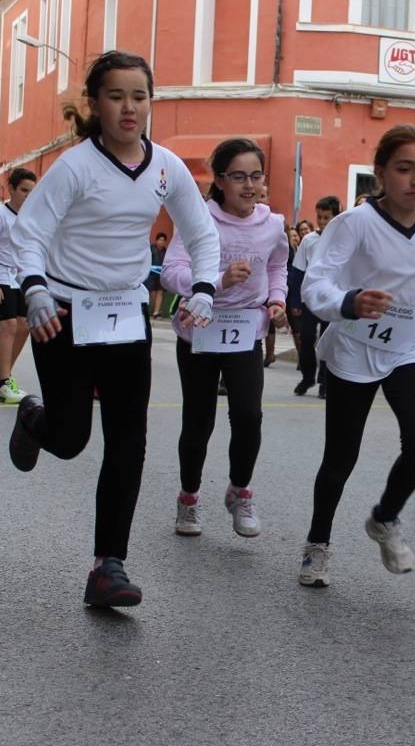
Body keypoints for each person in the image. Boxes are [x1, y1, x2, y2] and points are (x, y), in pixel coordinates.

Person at [6, 51, 220, 608]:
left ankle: (108, 567)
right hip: (64, 314)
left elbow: (201, 234)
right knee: (73, 438)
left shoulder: (167, 167)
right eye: (116, 96)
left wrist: (204, 288)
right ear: (95, 104)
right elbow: (29, 234)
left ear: (152, 102)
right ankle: (36, 417)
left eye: (140, 96)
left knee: (129, 442)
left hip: (127, 316)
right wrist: (33, 291)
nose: (129, 108)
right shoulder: (75, 167)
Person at [297, 124, 415, 587]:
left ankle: (385, 517)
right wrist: (349, 301)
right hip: (355, 342)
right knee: (341, 456)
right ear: (380, 172)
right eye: (404, 169)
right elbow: (315, 284)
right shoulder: (353, 223)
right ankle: (318, 543)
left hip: (411, 340)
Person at [162, 138, 287, 538]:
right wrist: (214, 282)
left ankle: (240, 490)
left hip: (245, 330)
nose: (249, 185)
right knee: (198, 420)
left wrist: (276, 299)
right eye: (238, 177)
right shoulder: (200, 219)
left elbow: (279, 264)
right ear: (219, 180)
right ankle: (189, 499)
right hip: (200, 327)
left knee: (249, 416)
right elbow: (171, 272)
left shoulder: (273, 224)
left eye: (256, 176)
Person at [0, 168, 36, 403]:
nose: (27, 196)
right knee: (10, 326)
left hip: (20, 277)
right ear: (11, 189)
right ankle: (4, 384)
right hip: (2, 276)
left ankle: (2, 375)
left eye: (31, 192)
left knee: (24, 327)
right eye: (24, 190)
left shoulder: (30, 217)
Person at [291, 196, 340, 397]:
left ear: (336, 217)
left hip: (332, 298)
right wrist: (295, 300)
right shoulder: (309, 240)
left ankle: (326, 382)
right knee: (307, 338)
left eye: (326, 217)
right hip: (311, 299)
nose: (321, 222)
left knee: (328, 341)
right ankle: (308, 376)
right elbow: (299, 271)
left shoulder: (342, 240)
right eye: (319, 217)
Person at [147, 231, 167, 318]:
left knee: (160, 292)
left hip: (160, 275)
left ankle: (156, 312)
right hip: (150, 275)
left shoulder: (165, 251)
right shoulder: (150, 249)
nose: (161, 242)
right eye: (160, 240)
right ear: (156, 240)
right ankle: (150, 310)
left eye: (163, 240)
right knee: (153, 294)